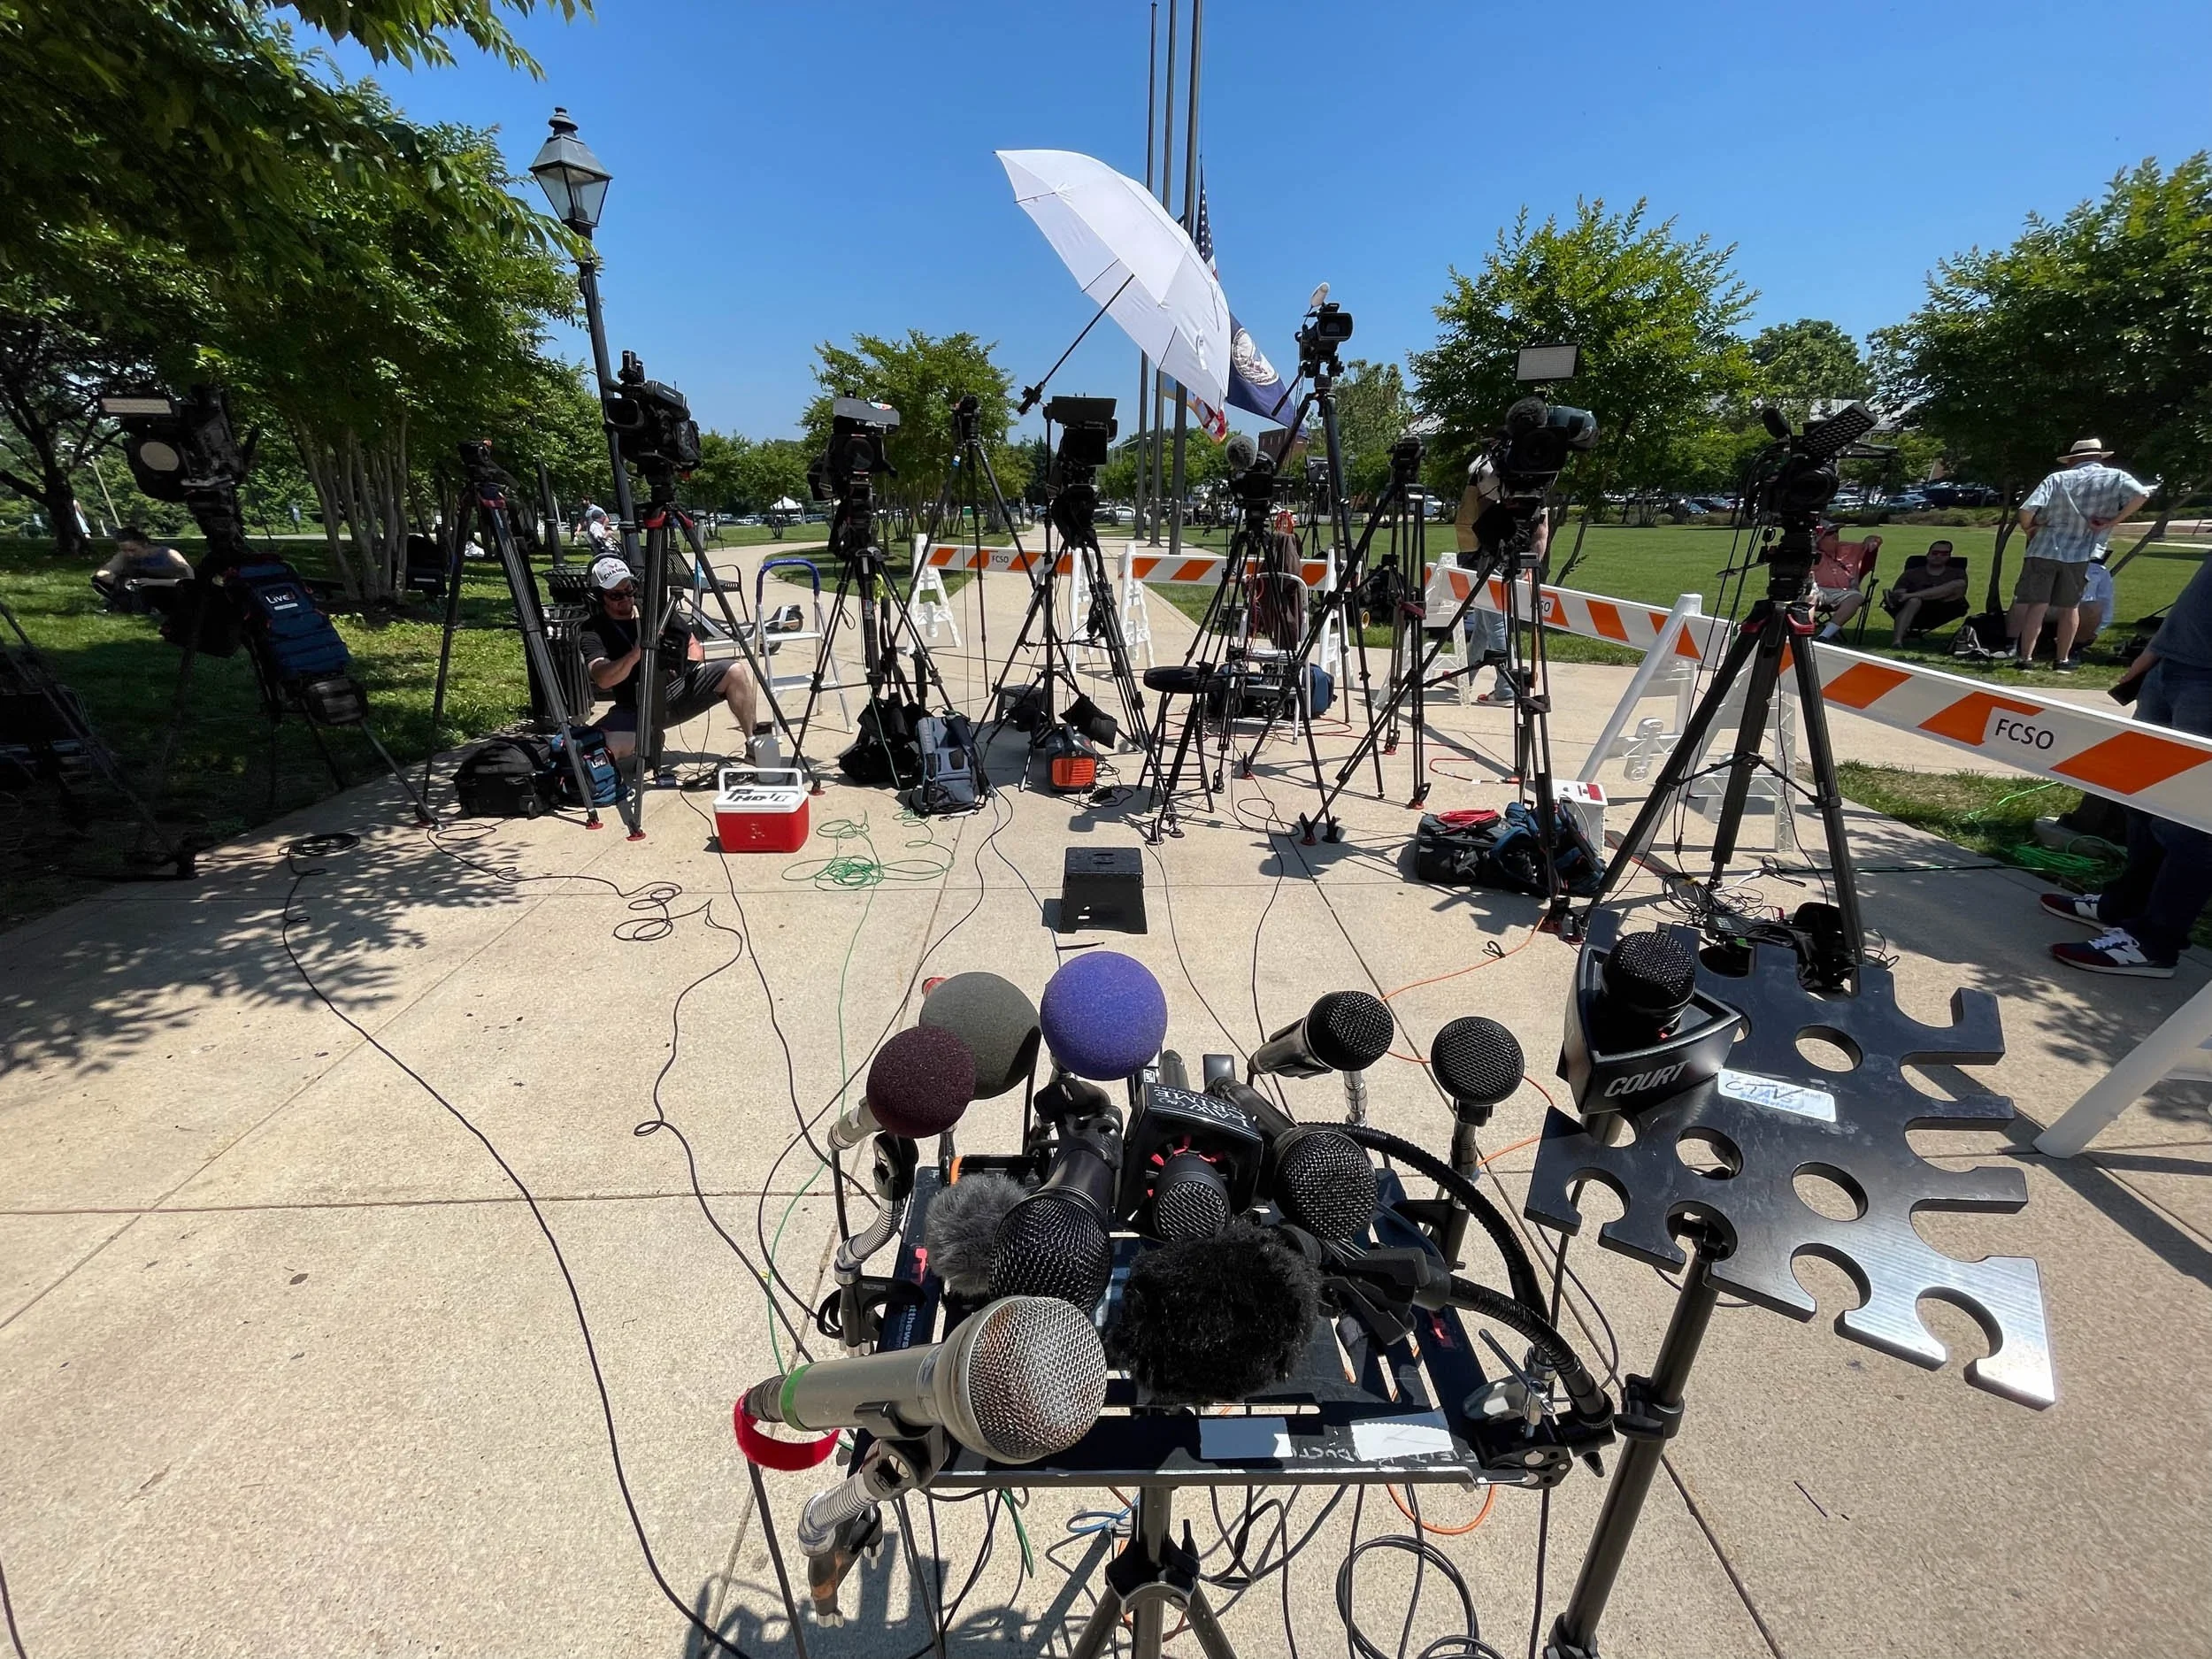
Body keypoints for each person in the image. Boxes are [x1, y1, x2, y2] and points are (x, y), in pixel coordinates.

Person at [2039, 549, 2212, 977]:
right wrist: (2154, 654)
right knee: (2145, 798)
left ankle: (2156, 942)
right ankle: (2125, 904)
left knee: (2194, 818)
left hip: (2206, 684)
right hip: (2173, 667)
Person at [575, 556, 761, 764]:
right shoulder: (593, 629)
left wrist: (686, 667)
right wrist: (637, 653)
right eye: (617, 595)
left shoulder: (653, 610)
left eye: (630, 590)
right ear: (599, 596)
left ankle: (753, 743)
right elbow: (602, 678)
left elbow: (693, 644)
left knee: (734, 670)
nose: (626, 599)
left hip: (674, 690)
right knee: (595, 748)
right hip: (635, 706)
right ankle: (649, 738)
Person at [2007, 439, 2151, 672]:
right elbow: (2142, 495)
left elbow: (2026, 509)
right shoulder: (2116, 477)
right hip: (2082, 551)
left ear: (2072, 460)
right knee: (2070, 607)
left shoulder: (2057, 478)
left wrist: (2030, 528)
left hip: (2045, 547)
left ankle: (2026, 659)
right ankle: (2062, 660)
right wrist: (2111, 522)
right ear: (2098, 457)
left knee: (2037, 606)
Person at [1880, 540, 1970, 645]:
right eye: (1935, 553)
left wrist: (1910, 595)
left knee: (1959, 584)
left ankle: (1913, 596)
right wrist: (1898, 596)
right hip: (1914, 607)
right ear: (1928, 554)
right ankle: (1897, 641)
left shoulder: (1957, 573)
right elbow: (1899, 595)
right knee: (1914, 601)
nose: (1938, 556)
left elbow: (1960, 592)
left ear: (1949, 557)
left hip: (1945, 606)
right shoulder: (1912, 573)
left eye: (1944, 554)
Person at [91, 526, 192, 611]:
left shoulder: (169, 554)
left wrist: (152, 582)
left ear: (144, 544)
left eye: (133, 550)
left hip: (168, 586)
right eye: (124, 550)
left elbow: (191, 579)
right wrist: (126, 582)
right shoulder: (123, 556)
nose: (129, 554)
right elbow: (102, 573)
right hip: (140, 586)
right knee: (97, 581)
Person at [1810, 526, 1880, 641]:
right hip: (1817, 589)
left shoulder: (1849, 548)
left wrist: (1872, 539)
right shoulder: (1810, 552)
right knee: (1808, 595)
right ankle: (1804, 634)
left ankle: (1824, 636)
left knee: (1856, 597)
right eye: (1830, 533)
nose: (1835, 535)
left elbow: (1876, 539)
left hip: (1844, 592)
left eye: (1836, 532)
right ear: (1819, 538)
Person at [2073, 553, 2116, 653]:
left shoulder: (2098, 571)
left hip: (2080, 619)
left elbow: (2105, 602)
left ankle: (2073, 647)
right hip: (2048, 614)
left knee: (2092, 608)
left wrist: (2094, 630)